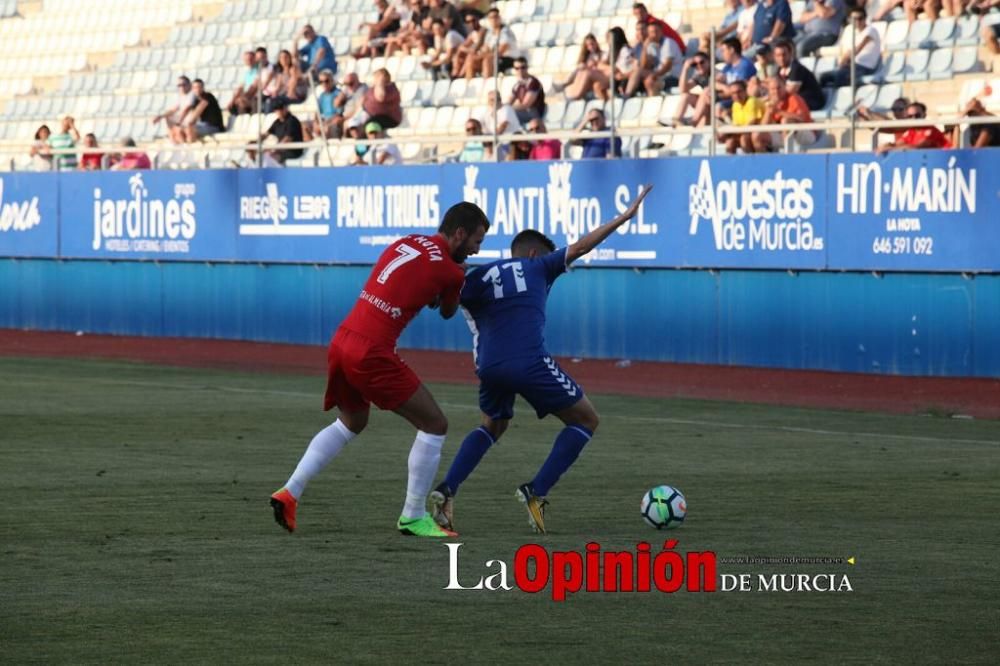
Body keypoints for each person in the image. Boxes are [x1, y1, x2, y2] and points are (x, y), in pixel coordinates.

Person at [428, 186, 653, 535]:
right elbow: (581, 246)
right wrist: (623, 218)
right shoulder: (540, 266)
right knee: (586, 419)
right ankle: (537, 490)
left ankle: (447, 489)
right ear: (533, 253)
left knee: (493, 425)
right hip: (529, 362)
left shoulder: (476, 277)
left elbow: (441, 301)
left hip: (488, 367)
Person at [270, 203, 489, 538]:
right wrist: (453, 282)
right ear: (459, 233)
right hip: (371, 351)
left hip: (342, 340)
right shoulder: (452, 270)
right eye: (476, 240)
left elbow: (406, 283)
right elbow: (446, 310)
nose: (477, 248)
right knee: (435, 424)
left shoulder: (409, 241)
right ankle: (413, 516)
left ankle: (290, 491)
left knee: (353, 421)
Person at [819, 8, 881, 88]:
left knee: (840, 77)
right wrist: (842, 63)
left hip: (865, 66)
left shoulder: (871, 30)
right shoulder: (850, 30)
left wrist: (844, 61)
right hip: (851, 65)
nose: (857, 21)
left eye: (860, 18)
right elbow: (847, 50)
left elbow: (856, 50)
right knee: (823, 77)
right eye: (854, 19)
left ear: (865, 18)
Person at [754, 75, 816, 152]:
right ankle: (762, 162)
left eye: (778, 88)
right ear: (769, 90)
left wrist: (779, 112)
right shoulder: (770, 102)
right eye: (773, 89)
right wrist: (769, 112)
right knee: (757, 135)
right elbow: (762, 128)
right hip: (783, 135)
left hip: (805, 133)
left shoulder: (794, 98)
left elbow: (801, 118)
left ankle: (786, 157)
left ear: (784, 87)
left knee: (786, 121)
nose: (776, 91)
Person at [626, 21, 682, 97]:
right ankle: (627, 95)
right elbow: (644, 66)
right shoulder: (651, 45)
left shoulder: (668, 42)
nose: (654, 34)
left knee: (650, 82)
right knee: (638, 71)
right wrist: (645, 48)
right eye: (651, 32)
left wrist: (654, 75)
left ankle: (652, 105)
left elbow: (667, 66)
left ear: (661, 32)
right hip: (661, 75)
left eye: (657, 31)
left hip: (673, 76)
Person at [875, 101, 952, 153]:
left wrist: (891, 149)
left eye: (917, 115)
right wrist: (888, 145)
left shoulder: (931, 130)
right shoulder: (911, 130)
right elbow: (898, 143)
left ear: (924, 115)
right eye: (910, 116)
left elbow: (917, 147)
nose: (914, 119)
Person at [773, 39, 825, 111]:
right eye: (778, 55)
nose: (781, 58)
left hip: (811, 102)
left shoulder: (797, 69)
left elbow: (789, 91)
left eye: (784, 54)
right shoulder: (779, 70)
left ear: (790, 54)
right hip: (797, 102)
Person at [556, 33, 605, 100]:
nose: (590, 47)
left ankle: (566, 84)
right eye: (588, 45)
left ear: (596, 43)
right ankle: (567, 84)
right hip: (583, 78)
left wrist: (592, 65)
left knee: (582, 70)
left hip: (595, 77)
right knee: (580, 69)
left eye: (592, 44)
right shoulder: (586, 57)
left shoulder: (602, 54)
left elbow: (603, 68)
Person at [722, 79, 765, 153]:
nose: (736, 95)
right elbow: (736, 125)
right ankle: (732, 164)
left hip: (759, 133)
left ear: (745, 91)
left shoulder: (752, 101)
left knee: (744, 139)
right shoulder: (735, 105)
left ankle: (750, 163)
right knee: (730, 142)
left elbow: (753, 123)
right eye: (733, 93)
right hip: (744, 133)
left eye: (739, 92)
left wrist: (732, 132)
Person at [671, 51, 713, 126]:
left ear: (709, 61)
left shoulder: (715, 73)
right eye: (695, 64)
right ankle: (676, 121)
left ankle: (693, 121)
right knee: (685, 96)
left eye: (702, 62)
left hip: (715, 103)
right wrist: (685, 68)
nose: (699, 65)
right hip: (706, 103)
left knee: (705, 92)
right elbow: (683, 90)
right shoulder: (699, 76)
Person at [153, 75, 198, 144]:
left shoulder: (192, 94)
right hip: (184, 120)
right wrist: (160, 117)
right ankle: (173, 139)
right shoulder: (179, 96)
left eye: (184, 84)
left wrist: (179, 123)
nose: (181, 87)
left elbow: (187, 109)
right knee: (168, 118)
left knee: (178, 128)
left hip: (192, 121)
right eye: (179, 85)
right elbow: (173, 109)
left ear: (189, 85)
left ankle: (181, 143)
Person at [260, 98, 304, 165]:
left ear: (285, 108)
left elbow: (287, 139)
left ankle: (276, 174)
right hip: (281, 150)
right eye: (276, 109)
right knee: (262, 155)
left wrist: (273, 149)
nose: (278, 111)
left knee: (272, 157)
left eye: (280, 108)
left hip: (293, 151)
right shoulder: (277, 122)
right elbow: (266, 134)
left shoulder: (292, 121)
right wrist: (258, 140)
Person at [182, 79, 226, 143]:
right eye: (195, 87)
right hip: (203, 125)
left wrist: (188, 124)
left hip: (214, 126)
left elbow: (195, 114)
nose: (197, 89)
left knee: (189, 129)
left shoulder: (208, 96)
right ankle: (188, 146)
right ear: (192, 89)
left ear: (203, 88)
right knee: (179, 131)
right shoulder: (195, 100)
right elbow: (191, 114)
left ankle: (191, 146)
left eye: (199, 87)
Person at [305, 70, 344, 140]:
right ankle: (311, 148)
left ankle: (325, 148)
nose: (324, 84)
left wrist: (325, 123)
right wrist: (316, 122)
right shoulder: (322, 96)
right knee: (305, 126)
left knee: (325, 128)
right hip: (323, 121)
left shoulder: (338, 94)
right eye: (321, 82)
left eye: (326, 81)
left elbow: (338, 114)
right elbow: (318, 113)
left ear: (332, 80)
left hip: (333, 122)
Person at [509, 57, 545, 125]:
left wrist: (509, 109)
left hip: (534, 113)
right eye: (517, 68)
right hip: (524, 112)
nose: (520, 70)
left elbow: (526, 104)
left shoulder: (533, 82)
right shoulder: (517, 84)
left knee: (509, 115)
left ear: (527, 67)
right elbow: (509, 101)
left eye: (523, 67)